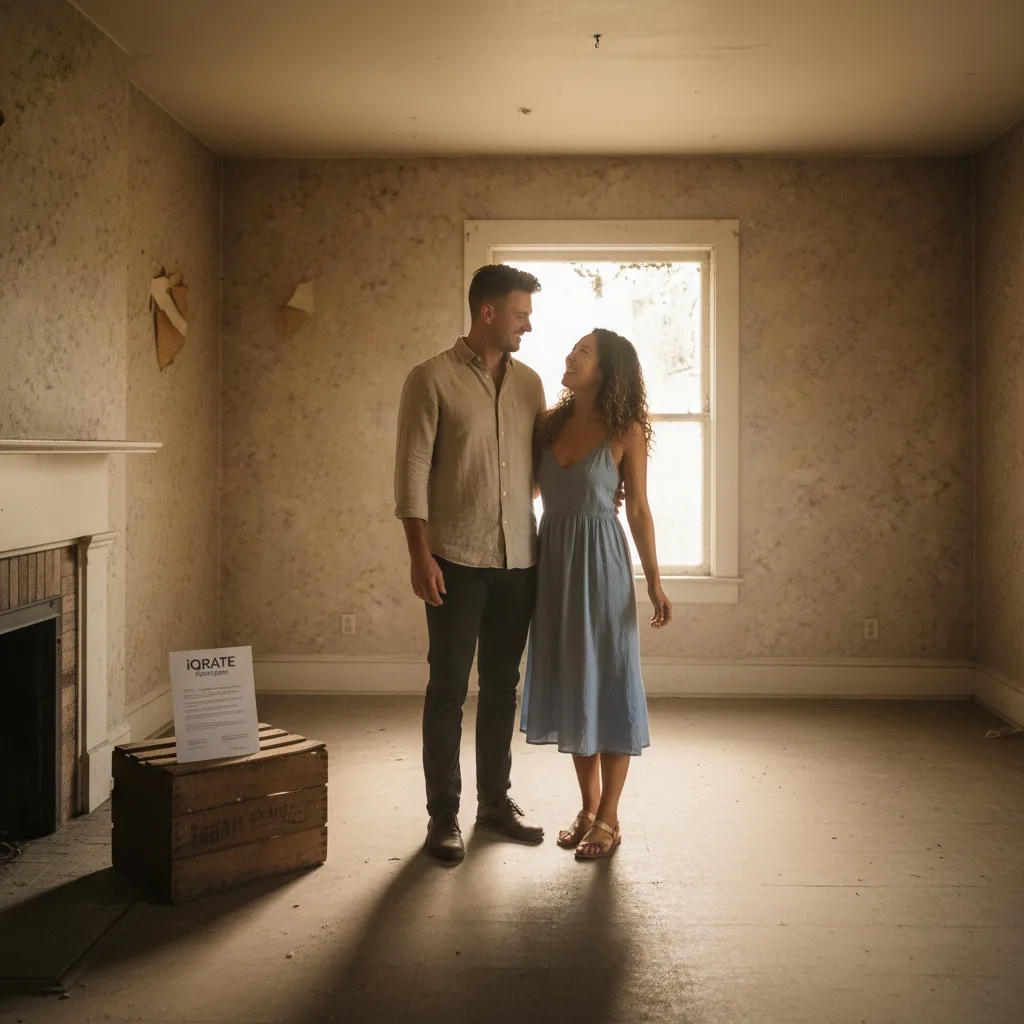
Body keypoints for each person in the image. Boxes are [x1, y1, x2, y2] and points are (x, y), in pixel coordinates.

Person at [394, 265, 547, 861]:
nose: (527, 326)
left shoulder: (531, 385)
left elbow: (545, 464)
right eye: (519, 314)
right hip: (453, 559)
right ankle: (443, 817)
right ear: (488, 313)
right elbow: (410, 471)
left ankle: (494, 802)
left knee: (503, 687)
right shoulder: (429, 379)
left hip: (519, 561)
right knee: (449, 689)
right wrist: (418, 554)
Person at [521, 328, 672, 859]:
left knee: (606, 683)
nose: (570, 355)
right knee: (572, 685)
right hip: (554, 568)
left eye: (582, 352)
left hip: (603, 569)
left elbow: (637, 509)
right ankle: (587, 808)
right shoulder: (548, 425)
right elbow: (527, 491)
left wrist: (653, 580)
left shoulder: (626, 429)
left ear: (605, 371)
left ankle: (610, 816)